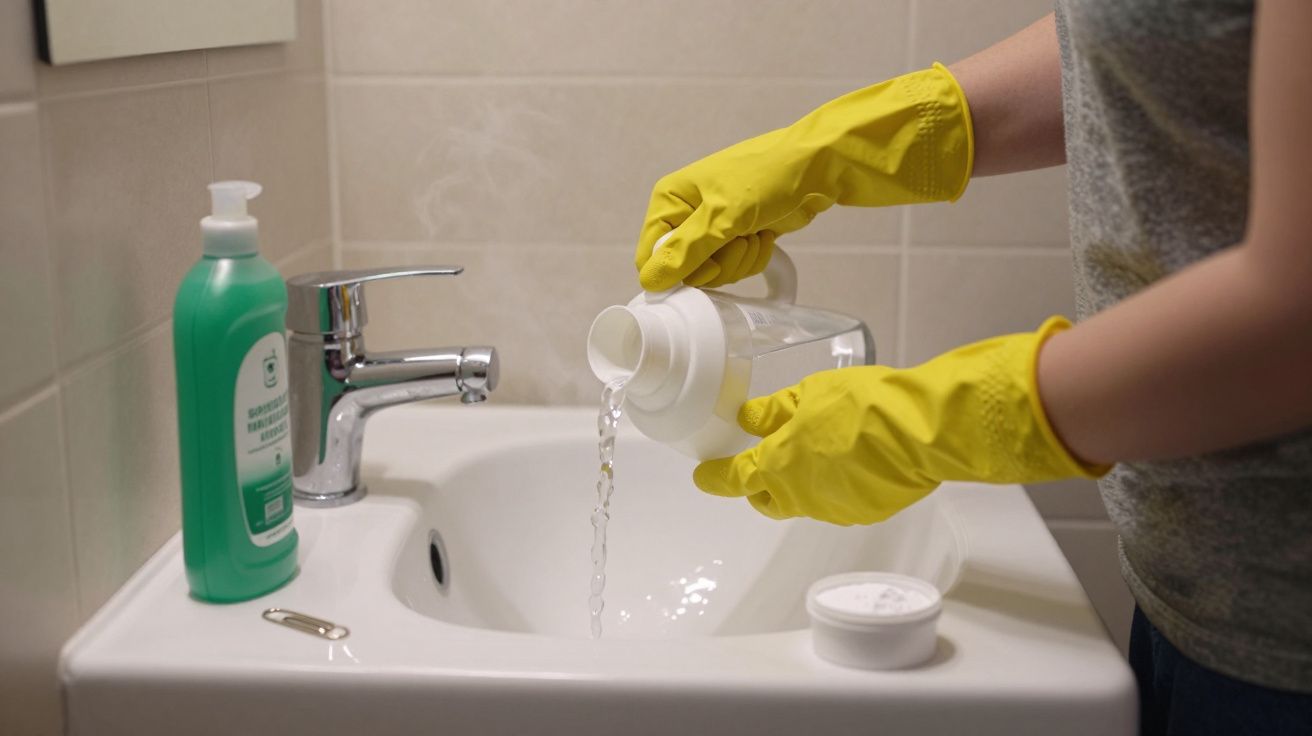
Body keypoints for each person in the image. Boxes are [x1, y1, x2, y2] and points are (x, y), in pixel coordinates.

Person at [631, 2, 1311, 734]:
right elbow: (1173, 41)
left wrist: (936, 424)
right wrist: (848, 144)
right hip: (1192, 586)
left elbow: (1294, 318)